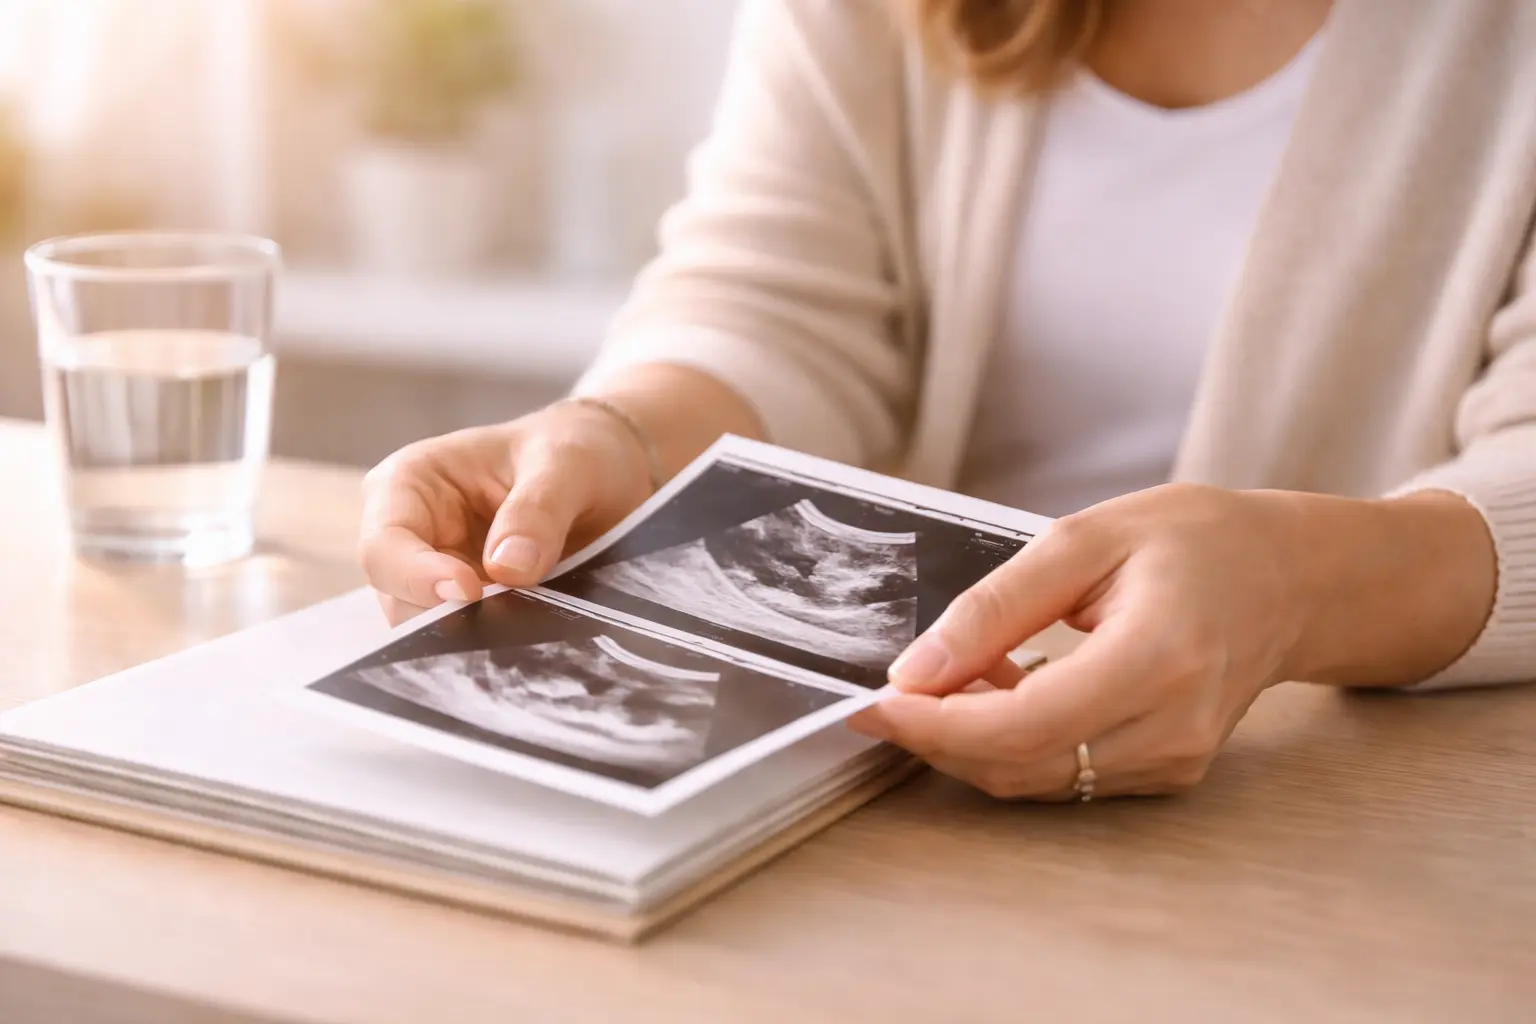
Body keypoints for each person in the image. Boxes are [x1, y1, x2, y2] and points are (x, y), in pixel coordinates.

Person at [358, 0, 1536, 802]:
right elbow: (777, 299)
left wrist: (1297, 586)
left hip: (1344, 810)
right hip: (904, 781)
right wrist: (622, 432)